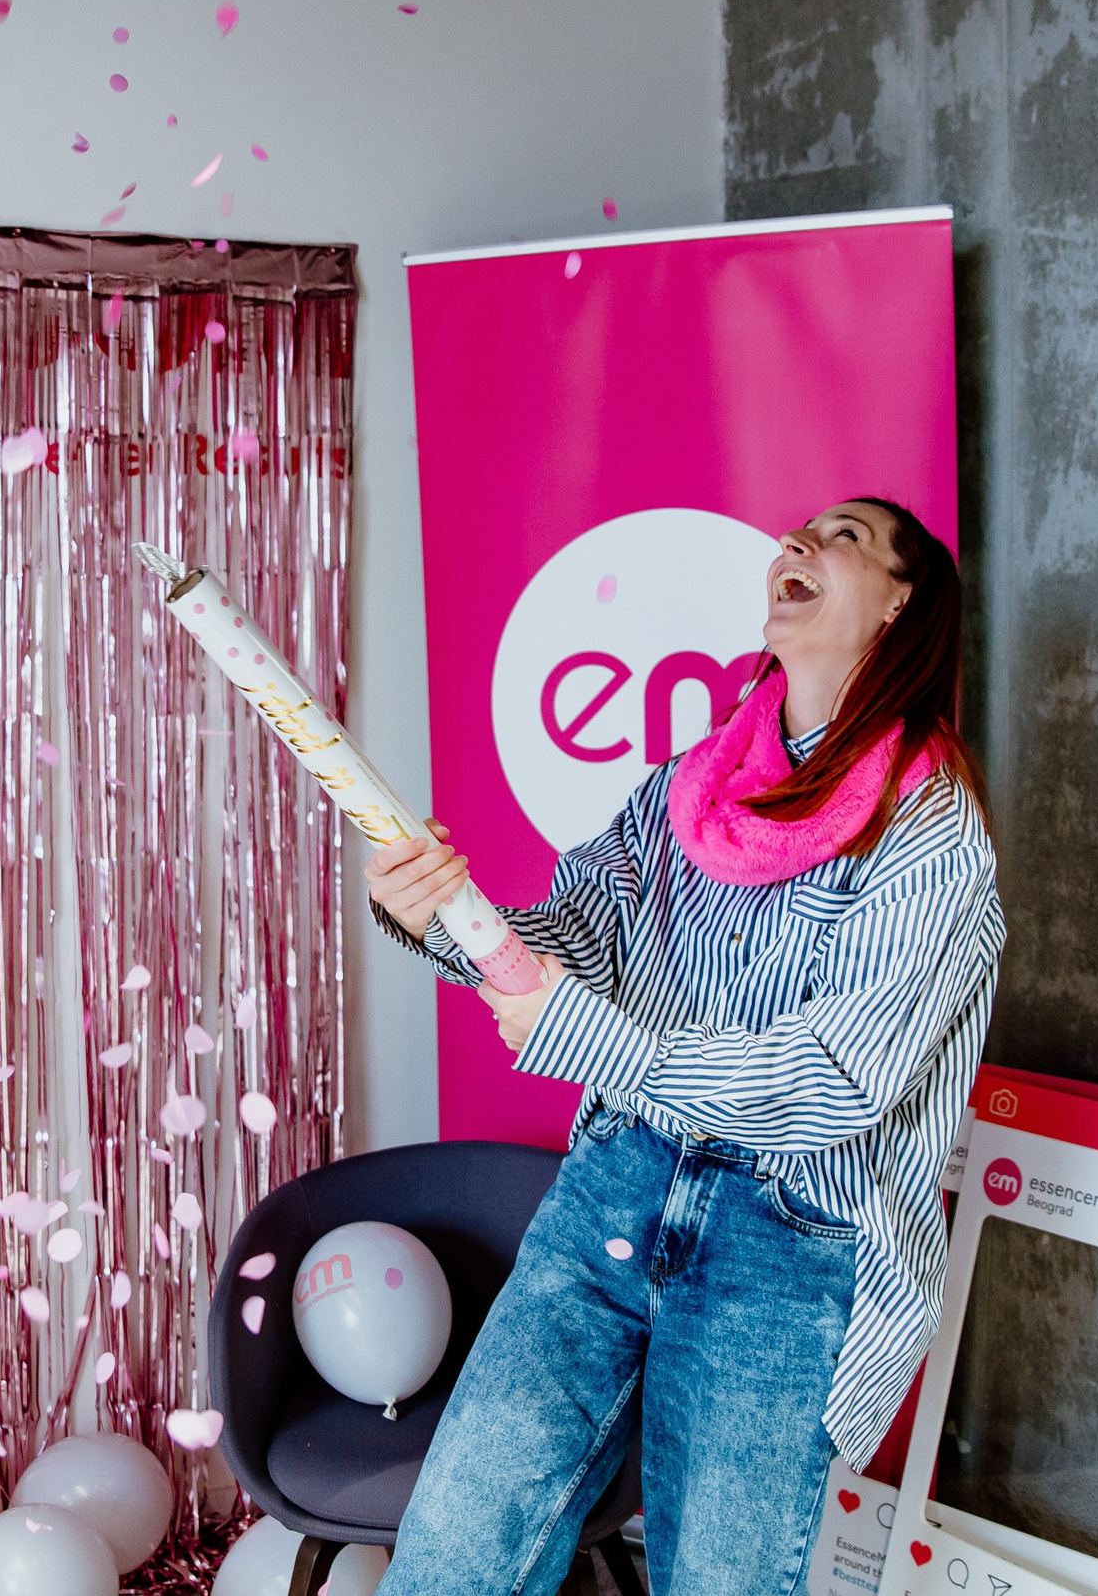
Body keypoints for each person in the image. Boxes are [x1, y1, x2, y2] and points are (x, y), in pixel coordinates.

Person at [365, 498, 1005, 1595]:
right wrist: (442, 915)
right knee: (447, 1559)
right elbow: (579, 938)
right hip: (612, 1194)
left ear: (902, 604)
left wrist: (591, 1040)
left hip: (785, 1252)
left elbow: (834, 1077)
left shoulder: (933, 834)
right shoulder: (690, 783)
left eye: (846, 537)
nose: (798, 544)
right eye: (801, 529)